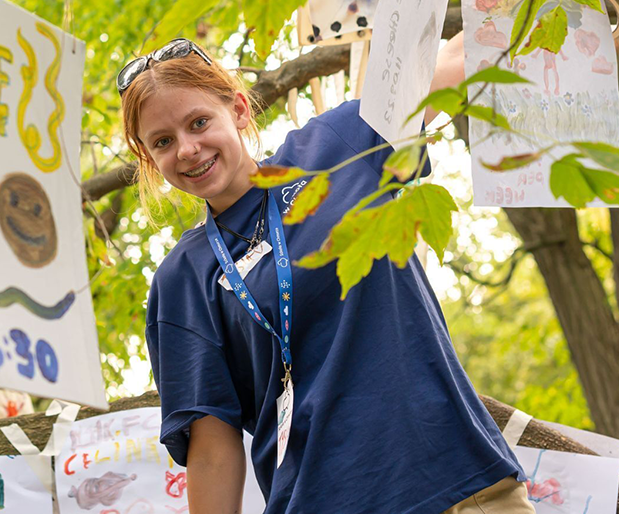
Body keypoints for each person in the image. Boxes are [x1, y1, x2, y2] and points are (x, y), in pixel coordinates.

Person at [118, 37, 531, 514]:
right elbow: (212, 452)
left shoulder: (334, 147)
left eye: (198, 122)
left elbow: (454, 60)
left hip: (457, 480)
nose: (187, 149)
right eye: (163, 142)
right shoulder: (183, 280)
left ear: (237, 110)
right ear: (149, 158)